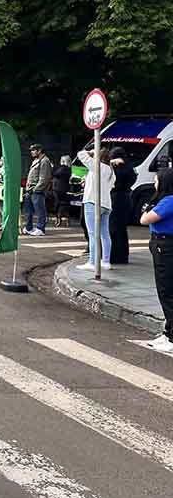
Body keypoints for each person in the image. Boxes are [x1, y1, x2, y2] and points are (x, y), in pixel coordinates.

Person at [141, 168, 173, 352]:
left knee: (166, 292)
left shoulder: (168, 201)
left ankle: (171, 338)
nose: (154, 184)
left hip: (165, 246)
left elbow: (145, 219)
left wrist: (147, 210)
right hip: (164, 245)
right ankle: (168, 332)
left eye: (156, 181)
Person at [76, 147, 114, 270]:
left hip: (92, 202)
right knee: (105, 234)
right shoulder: (111, 171)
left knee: (92, 234)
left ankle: (92, 262)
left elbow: (80, 154)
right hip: (106, 204)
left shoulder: (97, 166)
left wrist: (92, 151)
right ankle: (106, 261)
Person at [109, 147, 138, 265]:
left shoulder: (119, 169)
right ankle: (122, 256)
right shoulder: (129, 168)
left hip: (117, 200)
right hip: (126, 198)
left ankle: (115, 256)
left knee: (114, 229)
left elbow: (113, 181)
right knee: (121, 229)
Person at [23, 144, 52, 236]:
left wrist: (36, 189)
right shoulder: (36, 160)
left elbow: (44, 178)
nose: (31, 152)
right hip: (30, 189)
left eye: (33, 150)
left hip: (37, 190)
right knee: (28, 210)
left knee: (40, 210)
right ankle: (29, 228)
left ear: (39, 151)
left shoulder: (44, 161)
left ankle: (40, 228)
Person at [52, 155, 73, 228]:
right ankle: (64, 218)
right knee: (64, 204)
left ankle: (58, 218)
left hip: (59, 189)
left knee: (58, 204)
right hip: (65, 189)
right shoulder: (69, 169)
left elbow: (55, 174)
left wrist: (53, 167)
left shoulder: (63, 168)